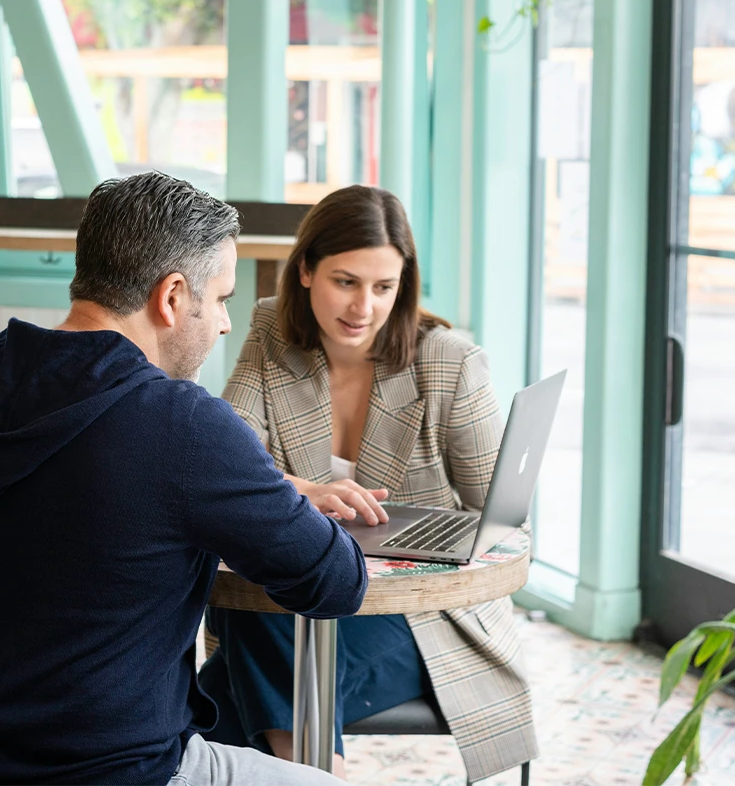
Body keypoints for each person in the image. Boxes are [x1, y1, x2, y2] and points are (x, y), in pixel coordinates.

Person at [0, 172, 368, 786]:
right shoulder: (183, 425)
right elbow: (335, 583)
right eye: (220, 298)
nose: (223, 324)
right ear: (170, 297)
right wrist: (274, 491)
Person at [199, 185, 538, 783]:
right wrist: (300, 489)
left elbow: (505, 522)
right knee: (264, 624)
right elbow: (229, 461)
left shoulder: (450, 363)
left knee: (207, 698)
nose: (364, 307)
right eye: (347, 281)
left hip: (421, 618)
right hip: (300, 599)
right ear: (305, 270)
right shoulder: (272, 330)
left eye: (385, 287)